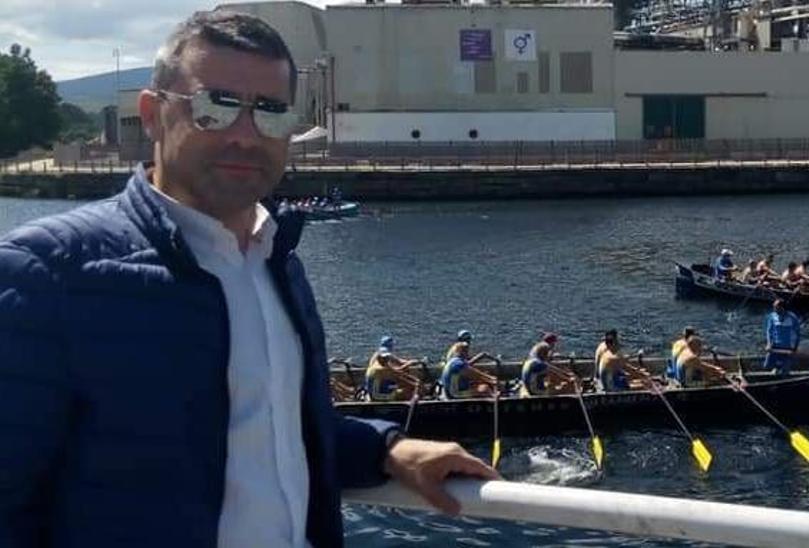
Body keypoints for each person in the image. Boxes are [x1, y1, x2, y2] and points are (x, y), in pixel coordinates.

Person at [0, 11, 495, 545]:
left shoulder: (275, 260)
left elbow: (270, 428)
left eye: (272, 113)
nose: (246, 134)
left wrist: (386, 449)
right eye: (217, 107)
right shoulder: (47, 273)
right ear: (152, 115)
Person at [520, 333, 577, 397]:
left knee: (549, 374)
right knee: (561, 387)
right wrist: (568, 378)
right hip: (534, 391)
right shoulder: (540, 362)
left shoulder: (533, 359)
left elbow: (549, 365)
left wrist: (566, 374)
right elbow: (552, 370)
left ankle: (545, 385)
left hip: (529, 383)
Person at [366, 335, 419, 402]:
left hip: (381, 386)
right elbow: (398, 372)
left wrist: (412, 362)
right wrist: (415, 384)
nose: (386, 358)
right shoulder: (380, 368)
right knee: (406, 392)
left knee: (404, 387)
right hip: (377, 395)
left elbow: (399, 363)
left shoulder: (382, 357)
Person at [763, 299, 803, 375]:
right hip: (775, 345)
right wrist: (768, 344)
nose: (774, 309)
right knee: (767, 365)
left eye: (776, 307)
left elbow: (797, 334)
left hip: (788, 347)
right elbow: (769, 331)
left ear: (782, 308)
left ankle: (783, 371)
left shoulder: (792, 318)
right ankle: (777, 367)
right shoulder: (772, 316)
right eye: (774, 307)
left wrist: (795, 348)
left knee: (785, 371)